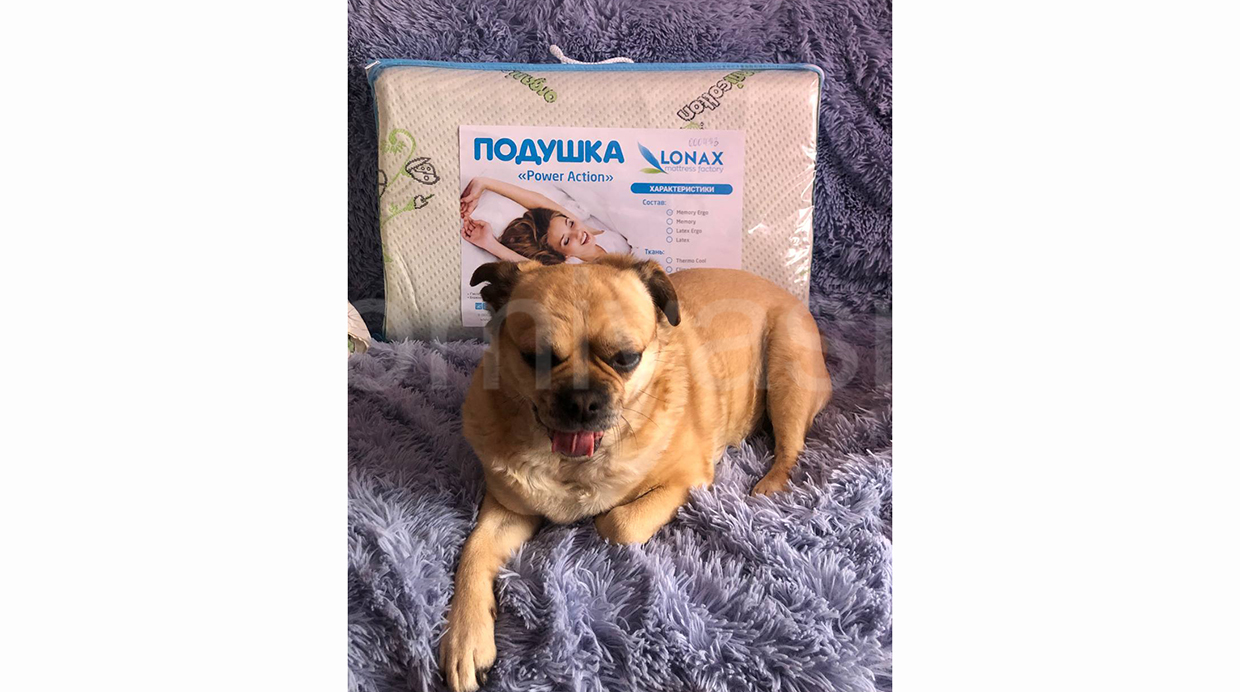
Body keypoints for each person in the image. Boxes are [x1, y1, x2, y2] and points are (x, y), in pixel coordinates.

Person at [459, 176, 630, 264]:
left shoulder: (591, 232)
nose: (578, 233)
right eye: (566, 240)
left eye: (570, 223)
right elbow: (534, 270)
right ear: (564, 255)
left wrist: (484, 183)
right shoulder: (576, 267)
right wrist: (490, 244)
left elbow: (541, 202)